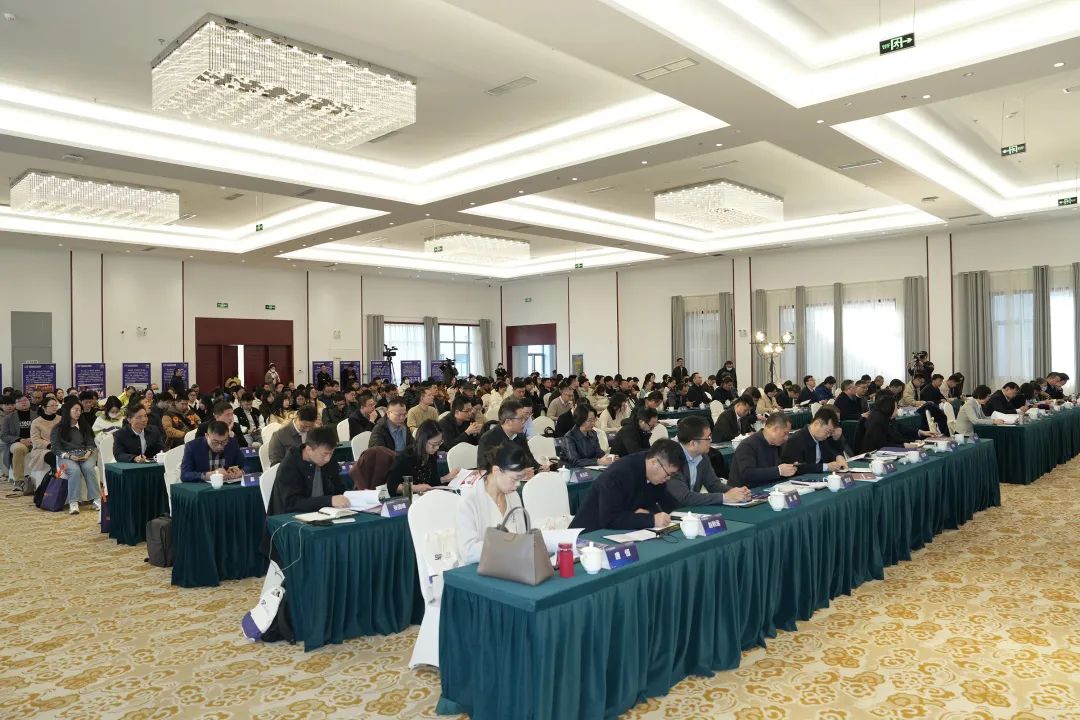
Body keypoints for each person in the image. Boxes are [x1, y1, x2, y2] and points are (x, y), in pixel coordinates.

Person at [569, 440, 686, 533]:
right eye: (668, 474)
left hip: (621, 532)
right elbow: (610, 519)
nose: (668, 478)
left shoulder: (654, 474)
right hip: (589, 535)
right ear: (654, 462)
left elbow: (668, 503)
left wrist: (686, 517)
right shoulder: (619, 473)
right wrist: (651, 520)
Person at [456, 443, 529, 565]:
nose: (517, 485)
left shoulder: (513, 496)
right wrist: (506, 546)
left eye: (520, 479)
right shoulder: (470, 500)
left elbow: (522, 536)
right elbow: (468, 552)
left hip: (511, 564)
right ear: (496, 471)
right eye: (514, 479)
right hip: (480, 567)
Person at [669, 415, 751, 506]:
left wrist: (736, 492)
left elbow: (713, 484)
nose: (711, 440)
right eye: (708, 437)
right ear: (693, 443)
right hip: (671, 510)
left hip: (692, 508)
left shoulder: (702, 455)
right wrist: (725, 497)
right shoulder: (671, 460)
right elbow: (685, 497)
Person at [266, 427, 349, 516]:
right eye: (324, 454)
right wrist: (329, 501)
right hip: (291, 518)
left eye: (331, 453)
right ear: (309, 450)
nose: (328, 459)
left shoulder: (329, 462)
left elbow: (339, 489)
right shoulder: (289, 465)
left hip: (324, 514)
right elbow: (291, 503)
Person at [385, 420, 459, 496]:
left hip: (424, 496)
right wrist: (415, 488)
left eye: (439, 443)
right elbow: (391, 486)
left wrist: (446, 478)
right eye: (434, 444)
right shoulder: (405, 458)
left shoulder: (431, 455)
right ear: (423, 441)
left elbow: (431, 482)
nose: (437, 448)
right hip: (408, 498)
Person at [50, 401, 100, 514]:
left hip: (86, 453)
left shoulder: (84, 426)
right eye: (75, 410)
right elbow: (55, 448)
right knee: (74, 470)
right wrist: (69, 456)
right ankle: (73, 502)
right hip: (67, 456)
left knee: (88, 468)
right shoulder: (58, 428)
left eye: (80, 410)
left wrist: (88, 453)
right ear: (68, 411)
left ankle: (96, 499)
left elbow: (91, 443)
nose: (78, 413)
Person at [477, 400, 549, 476]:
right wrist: (518, 474)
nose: (524, 421)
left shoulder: (520, 436)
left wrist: (540, 468)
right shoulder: (488, 439)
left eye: (524, 418)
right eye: (521, 419)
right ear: (508, 421)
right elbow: (485, 471)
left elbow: (530, 461)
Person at [728, 413, 797, 488]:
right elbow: (747, 474)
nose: (786, 438)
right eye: (785, 433)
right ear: (775, 429)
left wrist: (791, 468)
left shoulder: (778, 444)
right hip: (746, 491)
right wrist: (778, 471)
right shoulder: (747, 445)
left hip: (770, 487)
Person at [857, 392, 936, 454]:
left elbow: (901, 429)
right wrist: (903, 446)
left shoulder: (886, 416)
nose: (897, 410)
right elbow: (880, 445)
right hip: (874, 455)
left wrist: (920, 433)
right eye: (896, 408)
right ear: (889, 408)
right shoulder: (878, 420)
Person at [780, 408, 849, 475]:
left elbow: (830, 453)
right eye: (828, 431)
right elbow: (797, 468)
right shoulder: (795, 441)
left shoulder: (821, 438)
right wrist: (826, 467)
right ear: (816, 424)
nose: (828, 435)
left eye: (830, 433)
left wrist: (838, 456)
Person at [2, 395, 35, 493]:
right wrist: (20, 439)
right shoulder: (9, 418)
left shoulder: (37, 414)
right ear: (15, 405)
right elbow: (4, 436)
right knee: (18, 449)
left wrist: (33, 439)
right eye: (20, 401)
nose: (23, 402)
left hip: (35, 441)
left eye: (25, 400)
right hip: (18, 442)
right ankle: (19, 481)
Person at [28, 396, 61, 480]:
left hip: (60, 446)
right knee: (54, 457)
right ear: (43, 407)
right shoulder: (36, 422)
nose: (54, 407)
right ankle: (55, 479)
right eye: (52, 405)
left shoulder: (60, 419)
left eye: (56, 405)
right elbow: (35, 440)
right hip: (42, 449)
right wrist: (49, 445)